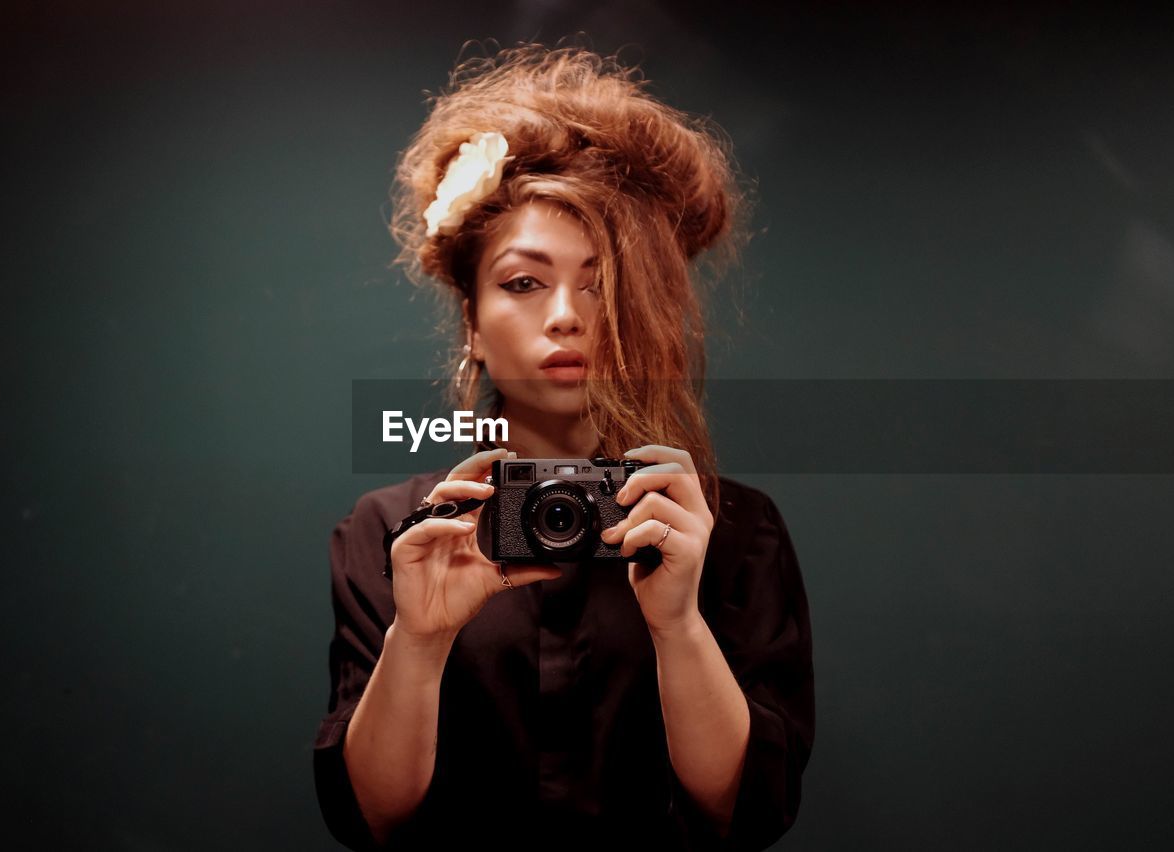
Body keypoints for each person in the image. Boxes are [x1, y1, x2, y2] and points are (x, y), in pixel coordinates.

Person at [313, 44, 814, 851]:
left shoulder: (731, 532)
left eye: (604, 284)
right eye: (522, 282)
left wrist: (679, 625)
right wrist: (421, 639)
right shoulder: (396, 531)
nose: (566, 317)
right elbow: (369, 816)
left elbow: (747, 811)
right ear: (472, 324)